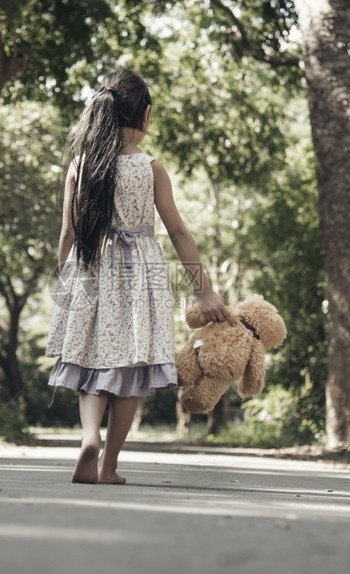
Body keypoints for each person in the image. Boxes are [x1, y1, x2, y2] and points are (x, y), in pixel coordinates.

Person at [46, 69, 234, 484]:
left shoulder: (80, 165)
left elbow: (67, 234)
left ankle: (89, 437)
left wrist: (68, 282)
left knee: (90, 364)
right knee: (130, 374)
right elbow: (179, 232)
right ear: (144, 116)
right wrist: (205, 292)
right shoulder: (151, 169)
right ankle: (108, 466)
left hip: (90, 270)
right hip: (138, 278)